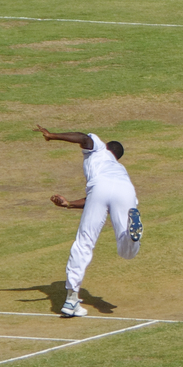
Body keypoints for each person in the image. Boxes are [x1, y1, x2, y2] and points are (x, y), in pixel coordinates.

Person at [34, 125, 143, 317]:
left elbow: (83, 138)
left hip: (99, 189)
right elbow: (94, 199)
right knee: (126, 251)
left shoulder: (99, 149)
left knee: (84, 242)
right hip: (126, 191)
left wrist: (53, 135)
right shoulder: (119, 169)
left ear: (108, 147)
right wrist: (69, 204)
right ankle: (132, 236)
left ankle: (71, 299)